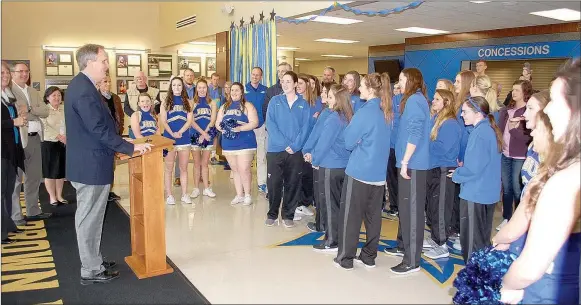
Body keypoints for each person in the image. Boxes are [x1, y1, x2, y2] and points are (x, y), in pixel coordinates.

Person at [65, 44, 151, 284]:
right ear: (89, 62)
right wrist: (130, 147)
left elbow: (98, 127)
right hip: (89, 165)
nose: (107, 65)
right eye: (103, 60)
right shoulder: (83, 90)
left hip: (93, 162)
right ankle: (90, 270)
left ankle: (94, 260)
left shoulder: (85, 86)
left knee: (93, 216)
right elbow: (97, 129)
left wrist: (121, 141)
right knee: (89, 218)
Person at [499, 58, 580, 305]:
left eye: (554, 101)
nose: (547, 111)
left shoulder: (566, 179)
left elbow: (531, 267)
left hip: (548, 289)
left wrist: (505, 283)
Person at [335, 73, 392, 270]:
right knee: (373, 217)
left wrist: (359, 141)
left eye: (363, 86)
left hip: (359, 172)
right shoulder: (386, 111)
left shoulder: (365, 112)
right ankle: (369, 256)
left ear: (370, 89)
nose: (359, 89)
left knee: (351, 217)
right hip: (378, 175)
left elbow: (348, 141)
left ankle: (345, 258)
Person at [385, 68, 431, 275]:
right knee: (405, 210)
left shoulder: (414, 101)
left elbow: (415, 132)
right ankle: (403, 246)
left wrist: (405, 161)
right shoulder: (412, 99)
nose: (399, 82)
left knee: (412, 212)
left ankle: (412, 260)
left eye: (402, 79)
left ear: (411, 80)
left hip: (413, 165)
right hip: (409, 163)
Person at [450, 96, 502, 263]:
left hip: (475, 193)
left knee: (472, 244)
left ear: (478, 113)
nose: (461, 115)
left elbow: (473, 169)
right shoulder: (488, 130)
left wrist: (457, 174)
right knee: (481, 241)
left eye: (465, 112)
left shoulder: (480, 133)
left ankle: (474, 282)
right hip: (486, 193)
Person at [306, 83, 352, 252]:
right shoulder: (347, 115)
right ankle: (337, 236)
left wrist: (315, 160)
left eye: (331, 97)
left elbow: (324, 143)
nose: (327, 100)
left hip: (330, 166)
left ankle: (332, 240)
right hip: (342, 166)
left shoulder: (334, 117)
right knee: (338, 204)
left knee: (329, 204)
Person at [265, 71, 310, 228]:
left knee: (293, 183)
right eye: (282, 81)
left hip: (295, 152)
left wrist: (296, 146)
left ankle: (288, 215)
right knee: (274, 183)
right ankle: (272, 213)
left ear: (296, 84)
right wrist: (285, 144)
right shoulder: (274, 101)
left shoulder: (303, 104)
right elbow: (270, 124)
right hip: (276, 149)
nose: (285, 84)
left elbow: (306, 128)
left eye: (288, 81)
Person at [10, 61, 51, 224]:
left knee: (33, 177)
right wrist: (33, 109)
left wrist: (30, 109)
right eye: (20, 71)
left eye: (26, 71)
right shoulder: (8, 90)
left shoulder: (33, 91)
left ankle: (33, 210)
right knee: (16, 179)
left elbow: (45, 111)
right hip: (19, 139)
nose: (24, 74)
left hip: (35, 138)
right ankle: (16, 215)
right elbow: (18, 113)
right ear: (13, 73)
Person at [423, 89, 461, 260]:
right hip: (434, 169)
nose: (433, 101)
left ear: (446, 102)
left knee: (440, 208)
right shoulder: (438, 120)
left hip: (443, 170)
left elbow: (442, 148)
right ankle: (435, 238)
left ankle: (442, 244)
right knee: (432, 207)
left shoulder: (451, 123)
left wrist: (425, 143)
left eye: (437, 99)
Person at [497, 80, 533, 231]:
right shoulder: (507, 110)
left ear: (525, 92)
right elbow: (499, 129)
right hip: (505, 154)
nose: (514, 92)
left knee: (517, 188)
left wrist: (513, 130)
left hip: (519, 156)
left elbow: (527, 138)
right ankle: (507, 217)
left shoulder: (527, 112)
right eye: (513, 90)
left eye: (517, 90)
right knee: (507, 188)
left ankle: (518, 221)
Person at [216, 82, 258, 205]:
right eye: (232, 90)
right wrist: (222, 128)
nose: (234, 92)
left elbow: (254, 122)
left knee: (244, 169)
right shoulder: (224, 106)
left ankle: (248, 194)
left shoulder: (247, 106)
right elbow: (218, 123)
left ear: (241, 92)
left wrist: (240, 128)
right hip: (228, 143)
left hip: (245, 141)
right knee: (235, 169)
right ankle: (239, 195)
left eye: (237, 90)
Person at [2, 61, 26, 244]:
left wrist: (18, 117)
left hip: (11, 149)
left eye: (7, 73)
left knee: (9, 190)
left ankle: (8, 225)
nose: (5, 76)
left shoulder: (7, 95)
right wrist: (13, 122)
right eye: (2, 73)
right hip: (2, 151)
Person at [304, 80, 332, 232]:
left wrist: (311, 154)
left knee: (321, 193)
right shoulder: (328, 111)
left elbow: (318, 136)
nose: (321, 94)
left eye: (325, 93)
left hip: (321, 159)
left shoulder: (327, 113)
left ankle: (321, 224)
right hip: (327, 159)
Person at [160, 76, 193, 205]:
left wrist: (180, 132)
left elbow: (189, 120)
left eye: (179, 85)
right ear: (171, 87)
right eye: (174, 85)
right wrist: (172, 133)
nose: (177, 88)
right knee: (169, 168)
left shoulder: (188, 102)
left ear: (182, 87)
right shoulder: (165, 102)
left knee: (183, 168)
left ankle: (185, 194)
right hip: (169, 139)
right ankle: (169, 195)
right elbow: (163, 120)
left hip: (184, 138)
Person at [190, 78, 218, 199]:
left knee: (205, 163)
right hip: (195, 134)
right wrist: (201, 133)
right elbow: (190, 121)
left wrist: (205, 133)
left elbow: (212, 120)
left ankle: (206, 188)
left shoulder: (212, 103)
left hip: (207, 134)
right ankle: (196, 188)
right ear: (196, 89)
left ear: (208, 89)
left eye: (204, 87)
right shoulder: (191, 103)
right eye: (199, 87)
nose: (202, 90)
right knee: (196, 163)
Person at [40, 86, 67, 206]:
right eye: (54, 95)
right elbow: (44, 127)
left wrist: (66, 137)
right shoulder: (44, 110)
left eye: (59, 95)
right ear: (47, 97)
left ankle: (60, 195)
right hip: (49, 143)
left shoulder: (64, 108)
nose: (57, 98)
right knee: (50, 171)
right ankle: (52, 197)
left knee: (60, 171)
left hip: (63, 144)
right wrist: (59, 136)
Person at [99, 73, 124, 202]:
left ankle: (109, 191)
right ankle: (101, 191)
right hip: (102, 136)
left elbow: (120, 116)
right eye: (105, 81)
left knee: (111, 165)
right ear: (98, 83)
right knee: (102, 164)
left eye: (109, 81)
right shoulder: (96, 98)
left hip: (114, 135)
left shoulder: (115, 98)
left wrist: (119, 132)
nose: (108, 84)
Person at [244, 67, 268, 195]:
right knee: (246, 158)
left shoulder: (266, 90)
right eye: (253, 74)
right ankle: (244, 183)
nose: (255, 77)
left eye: (257, 75)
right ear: (250, 75)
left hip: (262, 126)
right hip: (247, 128)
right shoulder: (244, 89)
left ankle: (261, 183)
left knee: (261, 157)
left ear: (261, 77)